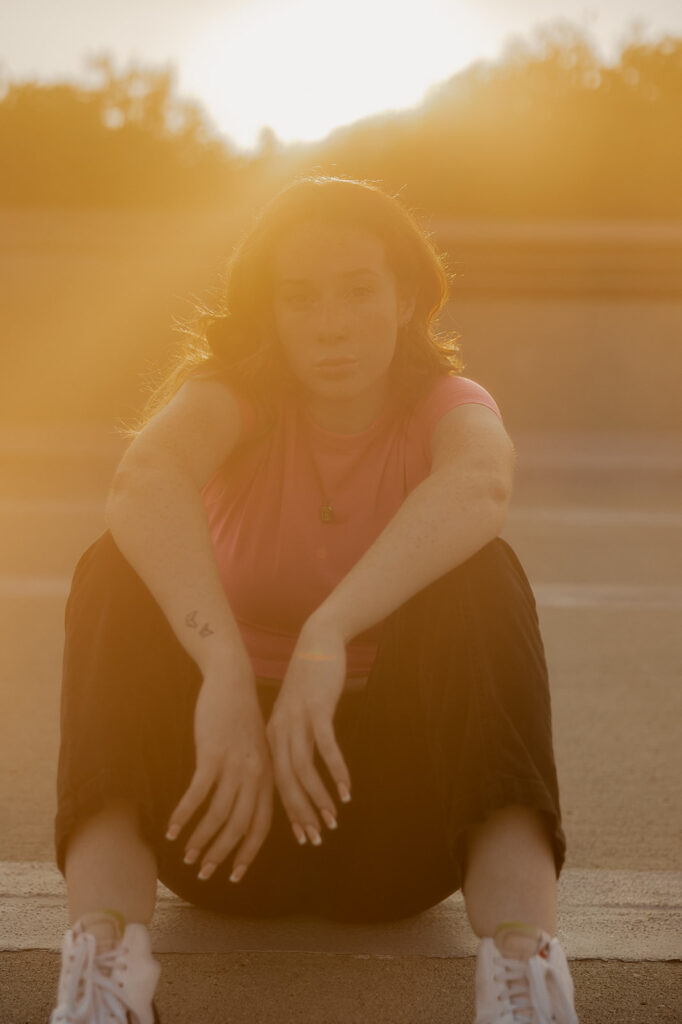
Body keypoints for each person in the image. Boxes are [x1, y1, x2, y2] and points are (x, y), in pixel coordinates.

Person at [50, 175, 579, 1024]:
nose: (330, 323)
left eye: (357, 291)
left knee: (486, 575)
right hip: (225, 821)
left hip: (394, 840)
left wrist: (327, 632)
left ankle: (527, 985)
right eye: (300, 299)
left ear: (406, 297)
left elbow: (482, 484)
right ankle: (102, 979)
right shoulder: (235, 398)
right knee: (113, 569)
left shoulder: (446, 405)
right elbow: (143, 478)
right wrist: (222, 664)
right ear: (271, 311)